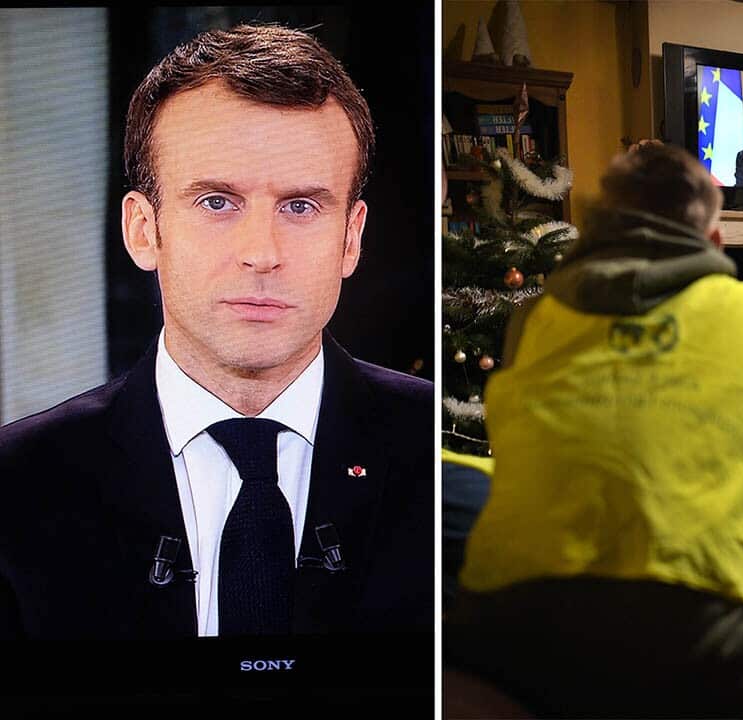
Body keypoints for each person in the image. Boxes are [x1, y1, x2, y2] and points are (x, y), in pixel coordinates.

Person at [0, 24, 433, 639]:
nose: (261, 253)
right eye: (217, 202)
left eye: (300, 206)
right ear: (144, 230)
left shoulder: (438, 459)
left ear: (351, 237)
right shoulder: (18, 486)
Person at [447, 142, 743, 718]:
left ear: (597, 230)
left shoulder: (531, 316)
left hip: (514, 637)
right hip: (698, 653)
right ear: (714, 240)